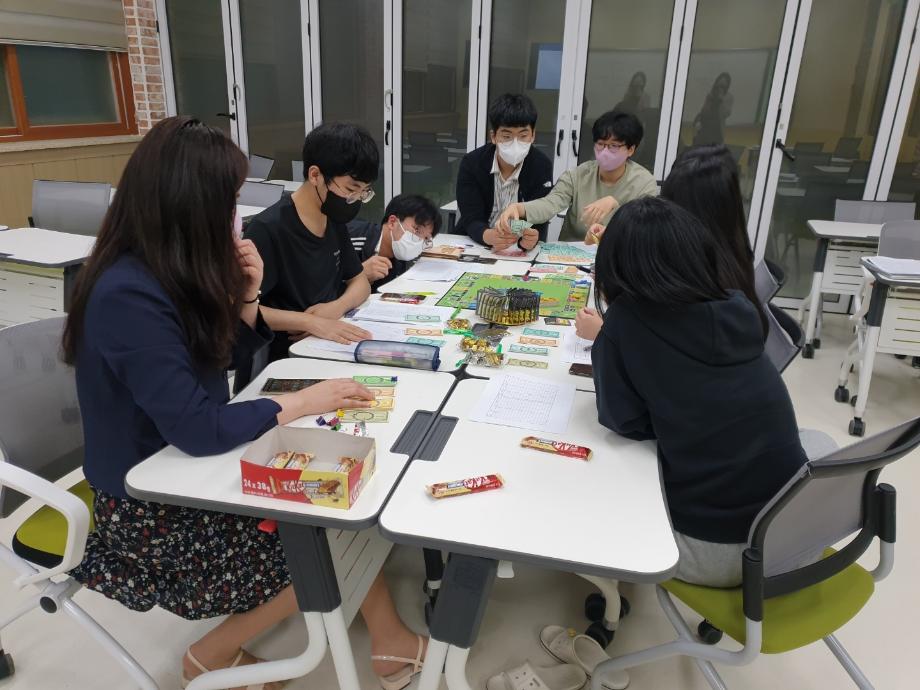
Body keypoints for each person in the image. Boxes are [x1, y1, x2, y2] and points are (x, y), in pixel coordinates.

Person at [62, 116, 427, 690]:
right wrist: (298, 403)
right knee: (325, 529)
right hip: (150, 502)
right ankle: (210, 653)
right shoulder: (127, 292)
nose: (237, 215)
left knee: (337, 497)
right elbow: (197, 428)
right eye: (229, 201)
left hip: (187, 469)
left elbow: (219, 361)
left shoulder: (171, 267)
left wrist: (249, 298)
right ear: (188, 204)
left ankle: (387, 639)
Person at [590, 197, 807, 586]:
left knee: (592, 479)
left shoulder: (624, 323)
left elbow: (623, 423)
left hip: (715, 550)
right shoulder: (736, 305)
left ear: (615, 266)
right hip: (793, 530)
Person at [575, 143, 765, 342]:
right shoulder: (727, 251)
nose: (665, 213)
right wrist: (617, 246)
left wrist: (605, 334)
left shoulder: (706, 280)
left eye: (670, 203)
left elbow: (667, 343)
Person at [245, 123, 379, 361]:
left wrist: (336, 308)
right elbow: (242, 308)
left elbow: (360, 282)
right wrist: (310, 322)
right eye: (351, 189)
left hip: (329, 341)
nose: (356, 198)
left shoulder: (332, 218)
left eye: (364, 192)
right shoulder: (269, 229)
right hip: (285, 356)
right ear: (315, 175)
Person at [499, 110, 657, 242]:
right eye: (600, 144)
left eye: (614, 146)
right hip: (572, 256)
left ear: (631, 149)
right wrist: (520, 208)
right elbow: (550, 204)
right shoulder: (578, 175)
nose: (605, 152)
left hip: (618, 255)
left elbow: (648, 228)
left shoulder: (644, 182)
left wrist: (616, 205)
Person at [455, 93, 553, 252]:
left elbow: (540, 213)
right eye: (507, 136)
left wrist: (530, 240)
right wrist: (488, 236)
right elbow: (470, 217)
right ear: (493, 136)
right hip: (476, 243)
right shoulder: (472, 163)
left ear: (533, 135)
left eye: (523, 135)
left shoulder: (541, 165)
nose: (515, 143)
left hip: (520, 249)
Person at [348, 193, 442, 290]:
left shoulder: (400, 258)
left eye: (426, 238)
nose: (419, 241)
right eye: (417, 230)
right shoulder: (351, 240)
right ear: (392, 222)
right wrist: (357, 277)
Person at [693, 72, 733, 146]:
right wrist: (699, 121)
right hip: (705, 127)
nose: (720, 88)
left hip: (717, 129)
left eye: (723, 86)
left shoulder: (729, 97)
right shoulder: (710, 94)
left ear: (727, 86)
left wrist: (721, 100)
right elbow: (703, 110)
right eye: (719, 85)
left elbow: (727, 114)